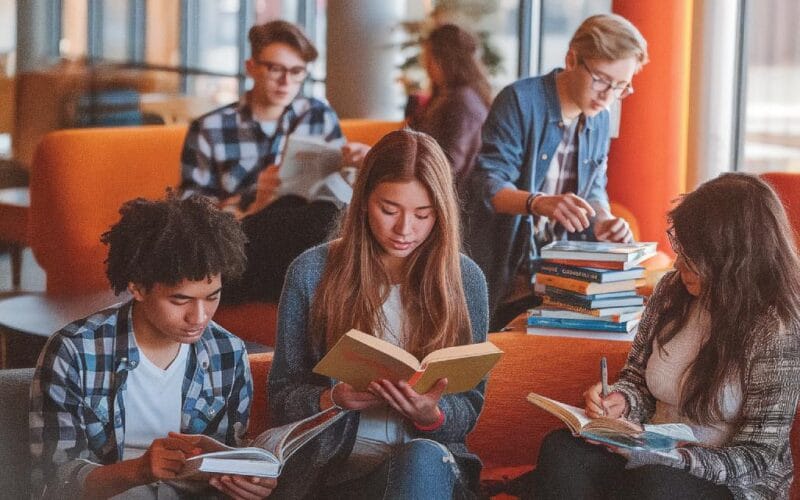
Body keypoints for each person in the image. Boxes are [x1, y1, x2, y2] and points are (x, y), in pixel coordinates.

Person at [529, 173, 800, 499]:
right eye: (681, 251)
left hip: (730, 480)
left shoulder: (778, 327)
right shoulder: (673, 290)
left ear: (732, 260)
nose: (678, 264)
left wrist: (675, 458)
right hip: (650, 452)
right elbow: (636, 381)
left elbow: (756, 456)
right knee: (561, 451)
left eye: (692, 257)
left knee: (655, 486)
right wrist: (620, 402)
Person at [267, 129, 489, 498]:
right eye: (389, 210)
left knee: (420, 459)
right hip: (332, 472)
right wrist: (332, 399)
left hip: (428, 466)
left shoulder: (466, 280)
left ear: (442, 214)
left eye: (423, 215)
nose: (405, 230)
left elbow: (470, 406)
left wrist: (431, 415)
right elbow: (280, 398)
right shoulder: (312, 271)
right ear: (362, 200)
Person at [29, 194, 275, 499]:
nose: (199, 317)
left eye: (212, 297)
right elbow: (55, 484)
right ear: (137, 287)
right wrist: (139, 470)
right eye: (180, 300)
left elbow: (228, 463)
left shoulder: (228, 353)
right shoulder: (75, 352)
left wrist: (249, 480)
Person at [463, 14, 648, 329]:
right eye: (602, 79)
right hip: (507, 270)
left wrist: (602, 220)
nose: (608, 96)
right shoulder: (520, 101)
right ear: (572, 59)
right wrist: (539, 202)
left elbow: (593, 185)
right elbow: (488, 184)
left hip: (560, 273)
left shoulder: (600, 115)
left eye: (620, 86)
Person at [179, 20, 369, 303]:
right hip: (243, 244)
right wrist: (253, 204)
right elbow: (188, 218)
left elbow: (338, 187)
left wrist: (362, 165)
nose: (286, 82)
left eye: (297, 72)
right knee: (312, 221)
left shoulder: (318, 115)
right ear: (251, 67)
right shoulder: (210, 128)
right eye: (275, 69)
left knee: (324, 215)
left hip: (307, 237)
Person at [409, 23, 492, 197]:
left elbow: (449, 166)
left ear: (443, 60)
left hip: (446, 200)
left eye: (429, 57)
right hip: (433, 192)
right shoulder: (454, 96)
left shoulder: (462, 103)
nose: (426, 65)